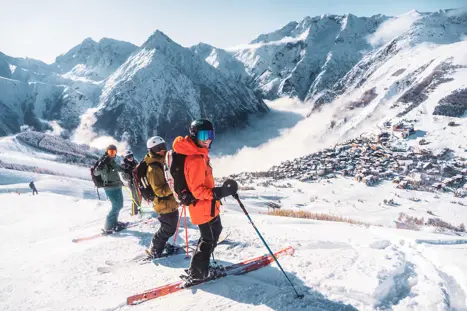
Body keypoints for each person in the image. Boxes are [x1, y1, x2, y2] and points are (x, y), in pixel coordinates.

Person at [172, 119, 231, 281]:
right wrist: (218, 192)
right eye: (204, 135)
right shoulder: (195, 159)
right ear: (194, 135)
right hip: (202, 206)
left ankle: (200, 267)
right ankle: (198, 273)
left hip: (209, 206)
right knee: (208, 240)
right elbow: (197, 191)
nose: (208, 139)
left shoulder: (199, 153)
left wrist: (217, 193)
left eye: (210, 134)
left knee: (214, 233)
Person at [144, 136, 180, 258]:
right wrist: (175, 186)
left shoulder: (163, 161)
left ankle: (160, 245)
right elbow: (159, 190)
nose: (162, 150)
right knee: (168, 228)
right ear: (151, 150)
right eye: (158, 148)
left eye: (163, 146)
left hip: (170, 202)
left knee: (170, 227)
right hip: (164, 204)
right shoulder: (153, 169)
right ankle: (155, 249)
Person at [93, 144, 127, 233]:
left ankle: (114, 223)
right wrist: (101, 165)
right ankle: (108, 227)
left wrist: (125, 169)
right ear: (107, 152)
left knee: (119, 206)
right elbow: (96, 172)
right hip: (110, 188)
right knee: (117, 206)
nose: (112, 154)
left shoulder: (113, 161)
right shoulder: (103, 161)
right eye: (110, 152)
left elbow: (117, 168)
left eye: (114, 152)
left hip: (117, 186)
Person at [120, 150, 141, 215]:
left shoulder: (135, 162)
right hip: (131, 182)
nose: (131, 157)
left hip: (137, 181)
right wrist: (130, 175)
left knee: (139, 196)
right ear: (126, 157)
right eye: (129, 157)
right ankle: (134, 212)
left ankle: (138, 209)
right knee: (135, 197)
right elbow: (124, 177)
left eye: (131, 156)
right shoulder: (124, 165)